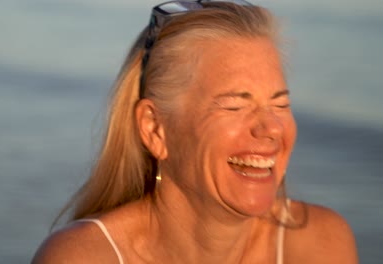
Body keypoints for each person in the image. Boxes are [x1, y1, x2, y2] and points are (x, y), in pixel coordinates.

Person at [32, 1, 358, 263]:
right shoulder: (83, 258)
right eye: (234, 106)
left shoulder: (320, 243)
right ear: (155, 129)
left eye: (280, 104)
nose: (271, 128)